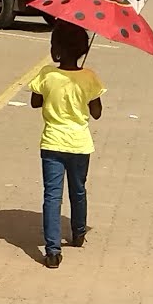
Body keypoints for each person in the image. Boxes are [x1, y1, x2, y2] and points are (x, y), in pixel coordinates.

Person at [29, 21, 105, 269]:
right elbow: (96, 113)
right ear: (83, 49)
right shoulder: (89, 77)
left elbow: (34, 102)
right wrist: (85, 90)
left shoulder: (47, 74)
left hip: (52, 143)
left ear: (56, 48)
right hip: (79, 145)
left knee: (52, 195)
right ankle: (79, 232)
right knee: (78, 190)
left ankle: (52, 251)